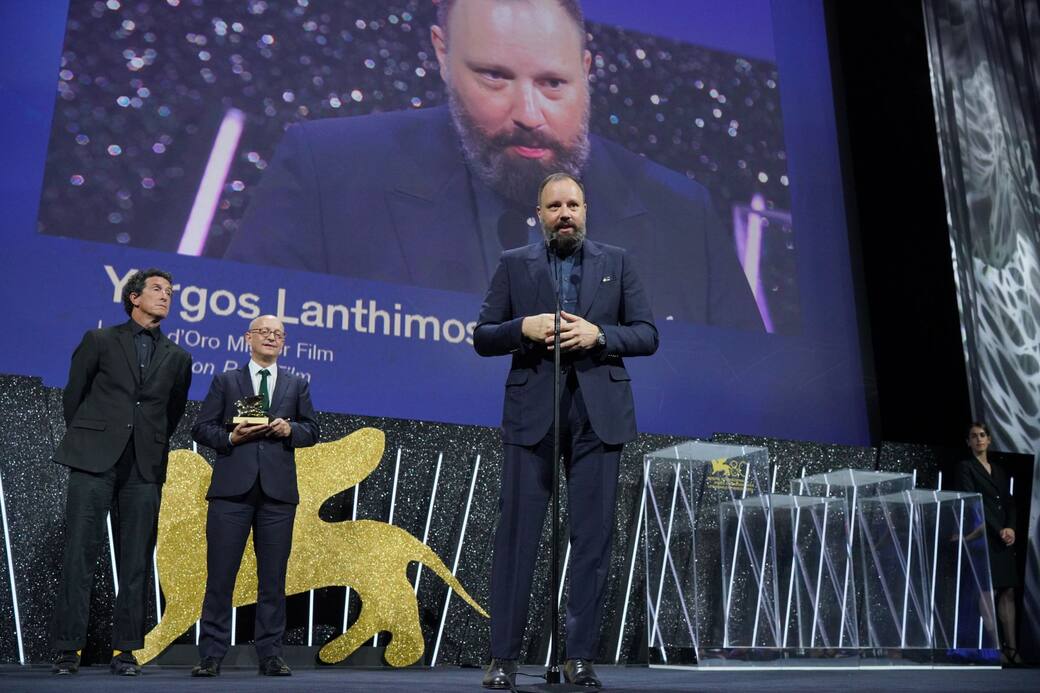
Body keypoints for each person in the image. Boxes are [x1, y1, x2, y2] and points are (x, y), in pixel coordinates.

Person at [226, 0, 761, 330]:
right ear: (441, 52)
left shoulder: (683, 215)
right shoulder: (325, 170)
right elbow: (247, 360)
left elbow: (747, 398)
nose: (528, 114)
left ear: (587, 67)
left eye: (554, 83)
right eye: (494, 78)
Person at [474, 172, 657, 688]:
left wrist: (600, 334)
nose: (565, 213)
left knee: (593, 540)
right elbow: (483, 335)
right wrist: (522, 329)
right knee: (516, 538)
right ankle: (504, 658)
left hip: (598, 415)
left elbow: (647, 334)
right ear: (539, 215)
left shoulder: (617, 262)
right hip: (533, 414)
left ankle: (579, 656)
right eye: (554, 206)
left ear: (585, 209)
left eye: (573, 204)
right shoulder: (515, 264)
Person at [50, 269, 193, 676]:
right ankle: (67, 649)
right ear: (134, 297)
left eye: (170, 291)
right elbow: (74, 397)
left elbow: (172, 412)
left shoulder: (179, 357)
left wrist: (149, 443)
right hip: (95, 459)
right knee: (80, 552)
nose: (166, 296)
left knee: (136, 560)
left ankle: (126, 651)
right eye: (157, 289)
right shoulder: (99, 341)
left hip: (144, 466)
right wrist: (94, 438)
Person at [189, 315, 320, 677]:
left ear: (284, 342)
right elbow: (201, 427)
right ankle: (212, 654)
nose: (271, 338)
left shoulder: (296, 384)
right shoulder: (227, 380)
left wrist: (289, 428)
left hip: (278, 495)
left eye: (278, 334)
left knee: (273, 579)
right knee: (220, 576)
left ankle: (270, 655)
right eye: (264, 332)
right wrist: (231, 438)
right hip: (232, 491)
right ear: (248, 338)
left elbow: (312, 430)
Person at [956, 422, 1021, 665]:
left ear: (989, 439)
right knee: (988, 593)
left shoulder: (999, 470)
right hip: (984, 538)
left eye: (982, 435)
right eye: (973, 436)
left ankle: (1013, 650)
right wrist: (998, 529)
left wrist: (1011, 527)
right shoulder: (966, 468)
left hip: (1003, 538)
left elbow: (1010, 502)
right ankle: (997, 649)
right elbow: (975, 502)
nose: (979, 439)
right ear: (968, 442)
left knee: (1008, 592)